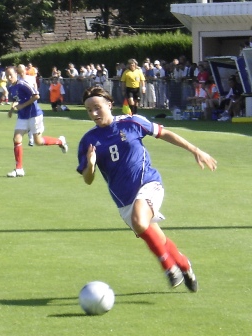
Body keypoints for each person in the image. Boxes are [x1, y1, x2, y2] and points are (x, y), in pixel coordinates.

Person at [78, 86, 218, 292]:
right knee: (157, 238)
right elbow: (88, 179)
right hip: (123, 200)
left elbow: (164, 133)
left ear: (109, 104)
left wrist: (195, 150)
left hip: (148, 184)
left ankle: (169, 268)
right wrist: (90, 164)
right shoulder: (88, 141)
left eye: (97, 107)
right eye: (89, 110)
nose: (94, 114)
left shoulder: (131, 122)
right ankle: (184, 264)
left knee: (139, 220)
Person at [5, 66, 68, 177]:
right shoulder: (11, 88)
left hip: (34, 115)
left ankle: (60, 141)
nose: (9, 77)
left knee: (38, 142)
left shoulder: (23, 84)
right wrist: (11, 109)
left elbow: (36, 96)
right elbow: (16, 99)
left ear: (16, 74)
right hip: (22, 116)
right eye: (7, 76)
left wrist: (22, 105)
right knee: (16, 138)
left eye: (11, 75)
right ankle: (19, 169)